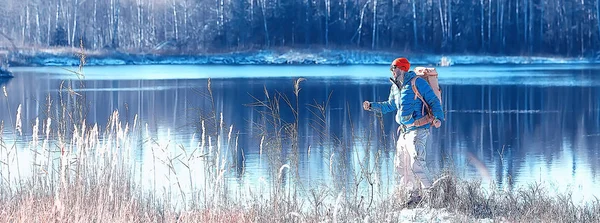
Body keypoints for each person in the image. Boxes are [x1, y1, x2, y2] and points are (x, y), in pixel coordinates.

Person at [362, 57, 444, 196]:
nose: (391, 71)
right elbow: (389, 106)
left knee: (416, 163)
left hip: (418, 129)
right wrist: (371, 106)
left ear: (402, 68)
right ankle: (412, 196)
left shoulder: (418, 83)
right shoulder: (395, 87)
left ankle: (432, 195)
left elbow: (434, 101)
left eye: (393, 68)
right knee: (402, 166)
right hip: (404, 131)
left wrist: (438, 118)